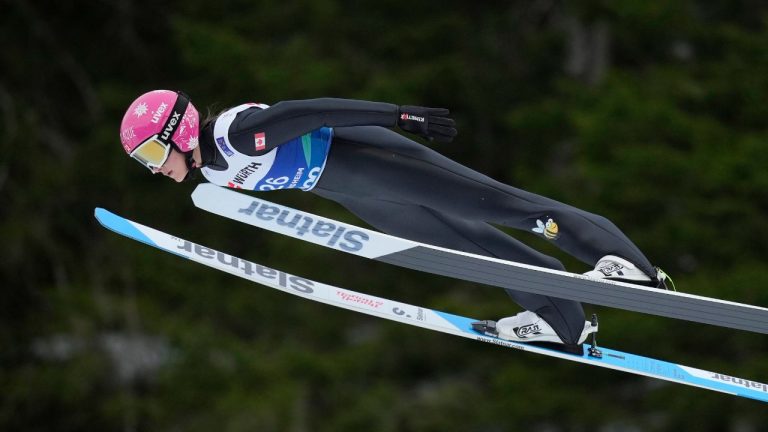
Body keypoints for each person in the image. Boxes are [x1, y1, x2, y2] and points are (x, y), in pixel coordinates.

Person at [119, 89, 667, 354]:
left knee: (503, 207)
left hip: (375, 162)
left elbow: (316, 112)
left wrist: (401, 116)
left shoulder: (234, 136)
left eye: (151, 156)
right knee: (466, 249)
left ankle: (628, 266)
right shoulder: (213, 174)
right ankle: (561, 320)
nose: (155, 170)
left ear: (178, 134)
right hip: (357, 194)